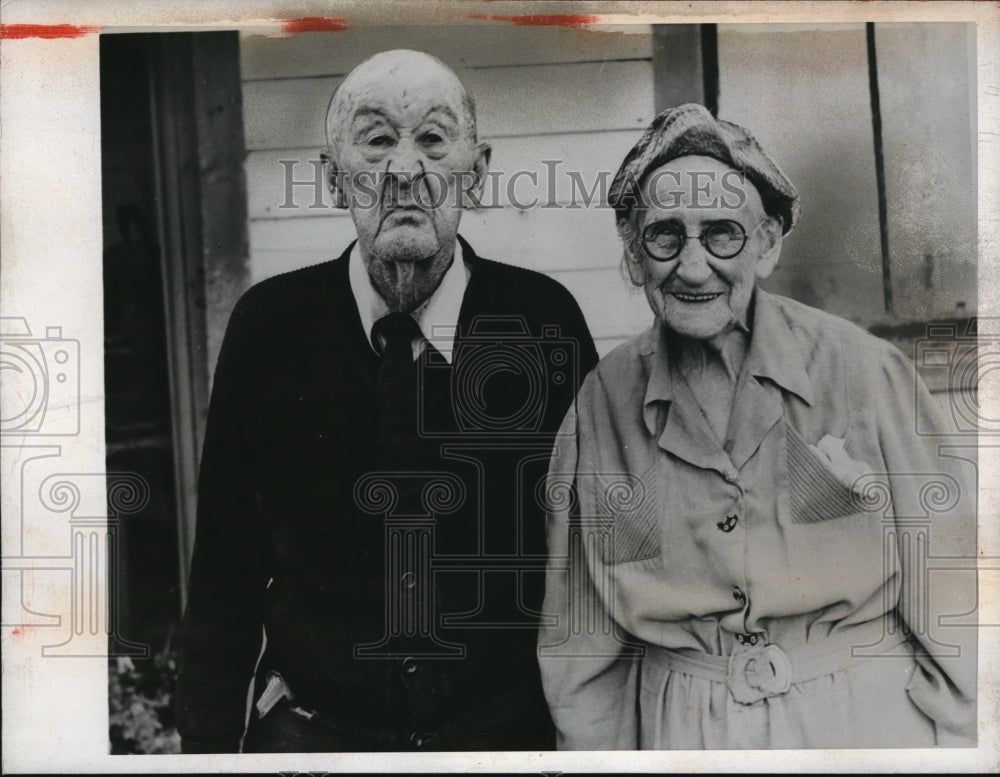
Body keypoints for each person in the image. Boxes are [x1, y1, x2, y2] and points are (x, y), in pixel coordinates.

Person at [176, 49, 598, 753]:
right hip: (317, 738)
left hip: (501, 741)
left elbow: (591, 563)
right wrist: (207, 751)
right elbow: (223, 574)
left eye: (433, 139)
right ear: (334, 179)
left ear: (478, 170)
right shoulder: (269, 329)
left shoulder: (541, 321)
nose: (405, 170)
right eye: (376, 141)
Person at [538, 103, 977, 749]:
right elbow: (582, 644)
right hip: (682, 730)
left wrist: (959, 742)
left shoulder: (863, 370)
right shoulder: (602, 402)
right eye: (665, 236)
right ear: (634, 254)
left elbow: (954, 584)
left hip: (862, 720)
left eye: (722, 233)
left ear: (768, 243)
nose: (691, 267)